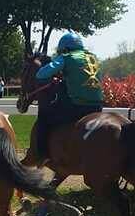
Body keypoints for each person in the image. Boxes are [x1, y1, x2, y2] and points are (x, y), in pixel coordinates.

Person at [27, 32, 105, 166]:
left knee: (44, 118)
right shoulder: (93, 58)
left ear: (65, 49)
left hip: (77, 106)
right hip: (98, 107)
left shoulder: (66, 57)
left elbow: (41, 74)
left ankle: (43, 155)